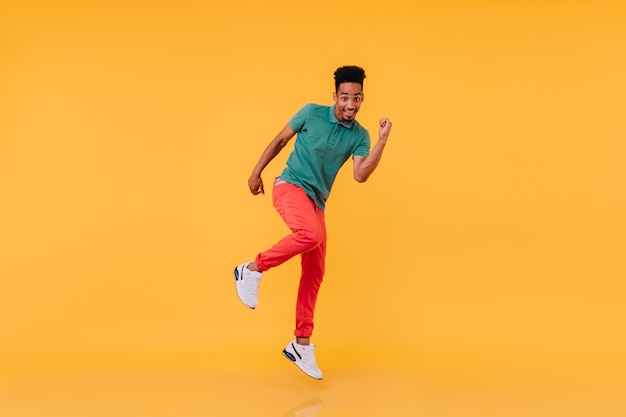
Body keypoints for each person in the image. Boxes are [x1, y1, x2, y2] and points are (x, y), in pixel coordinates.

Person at [233, 65, 392, 380]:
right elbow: (280, 141)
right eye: (345, 97)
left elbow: (360, 175)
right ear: (335, 96)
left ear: (362, 99)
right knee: (311, 234)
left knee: (316, 271)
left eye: (356, 98)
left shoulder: (359, 135)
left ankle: (301, 343)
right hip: (289, 186)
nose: (350, 104)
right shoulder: (311, 113)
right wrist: (256, 172)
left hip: (316, 202)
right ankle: (251, 268)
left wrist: (382, 140)